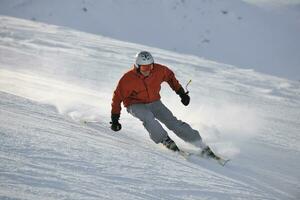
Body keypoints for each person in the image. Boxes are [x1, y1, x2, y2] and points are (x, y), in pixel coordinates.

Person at [110, 51, 216, 157]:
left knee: (173, 123)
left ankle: (198, 143)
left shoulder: (159, 70)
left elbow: (170, 77)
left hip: (154, 101)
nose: (147, 70)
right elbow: (117, 97)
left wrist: (181, 94)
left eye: (150, 66)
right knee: (148, 117)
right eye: (144, 68)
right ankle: (165, 140)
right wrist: (115, 119)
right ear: (137, 67)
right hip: (135, 104)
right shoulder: (127, 79)